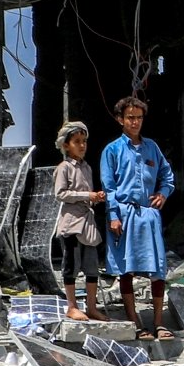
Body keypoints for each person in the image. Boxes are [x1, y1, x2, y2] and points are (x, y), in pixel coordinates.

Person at [100, 96, 175, 338]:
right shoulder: (112, 150)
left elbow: (167, 175)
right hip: (124, 213)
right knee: (126, 269)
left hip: (149, 215)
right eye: (130, 118)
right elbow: (109, 187)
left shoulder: (152, 147)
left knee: (158, 269)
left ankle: (158, 322)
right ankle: (135, 323)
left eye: (139, 118)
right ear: (120, 119)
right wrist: (113, 216)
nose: (135, 122)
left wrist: (163, 194)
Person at [53, 121, 107, 322]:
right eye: (77, 142)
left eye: (84, 141)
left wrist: (96, 197)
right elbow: (60, 194)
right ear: (66, 145)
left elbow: (87, 193)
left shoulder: (87, 168)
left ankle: (91, 307)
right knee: (71, 266)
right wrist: (86, 195)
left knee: (92, 266)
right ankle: (72, 306)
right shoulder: (64, 167)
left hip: (87, 222)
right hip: (72, 223)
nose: (82, 145)